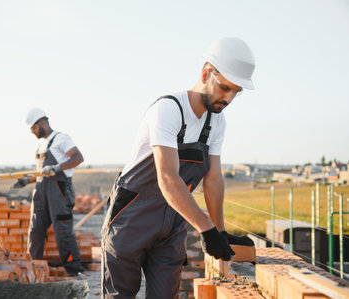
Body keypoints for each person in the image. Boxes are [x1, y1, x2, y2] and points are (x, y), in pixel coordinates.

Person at [101, 37, 256, 298]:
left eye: (236, 92)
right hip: (131, 217)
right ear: (206, 73)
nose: (229, 98)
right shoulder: (168, 109)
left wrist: (219, 232)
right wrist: (206, 229)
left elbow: (214, 179)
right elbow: (168, 179)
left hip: (172, 222)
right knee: (120, 294)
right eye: (225, 88)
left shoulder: (216, 122)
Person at [13, 107, 85, 276]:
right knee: (35, 229)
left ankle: (74, 270)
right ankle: (33, 267)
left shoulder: (61, 139)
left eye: (33, 128)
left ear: (43, 123)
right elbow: (42, 173)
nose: (32, 132)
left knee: (62, 232)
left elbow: (78, 157)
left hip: (58, 192)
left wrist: (57, 167)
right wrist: (27, 180)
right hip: (40, 192)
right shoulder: (41, 145)